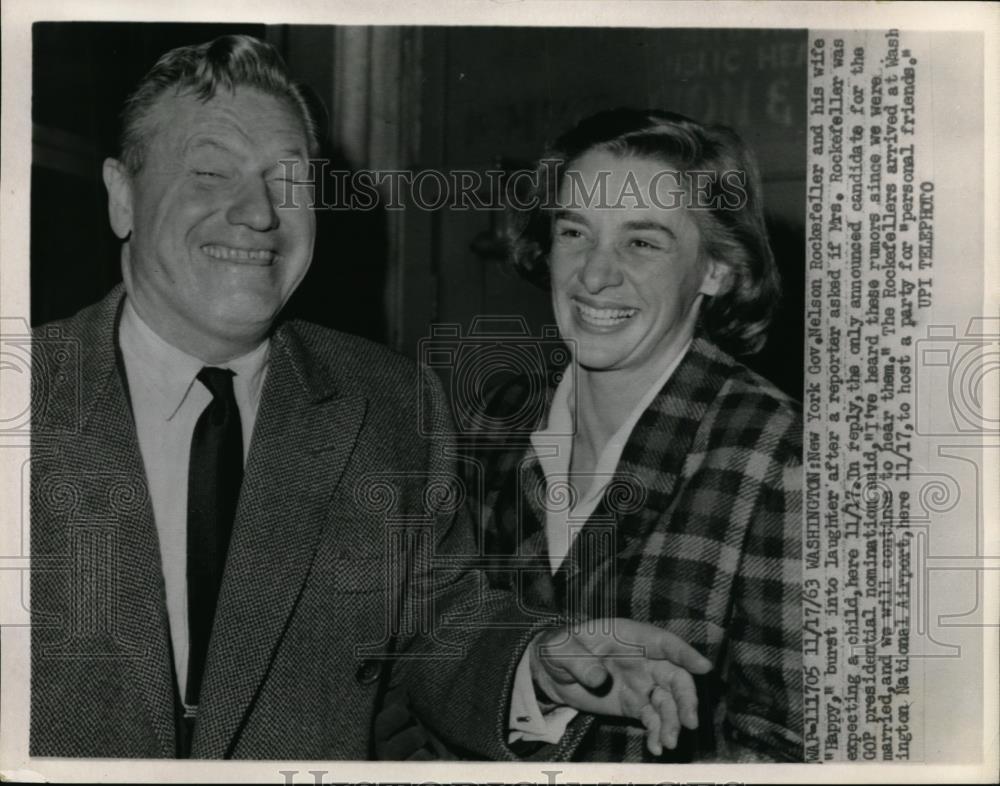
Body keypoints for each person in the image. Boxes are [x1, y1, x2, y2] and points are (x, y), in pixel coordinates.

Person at [29, 38, 711, 759]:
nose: (259, 214)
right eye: (209, 172)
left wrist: (535, 667)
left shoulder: (389, 403)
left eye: (290, 180)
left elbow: (441, 628)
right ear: (123, 196)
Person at [414, 109, 803, 762]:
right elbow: (434, 657)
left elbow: (791, 751)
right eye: (575, 232)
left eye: (641, 243)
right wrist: (531, 682)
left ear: (717, 268)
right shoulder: (497, 419)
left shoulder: (781, 457)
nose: (594, 276)